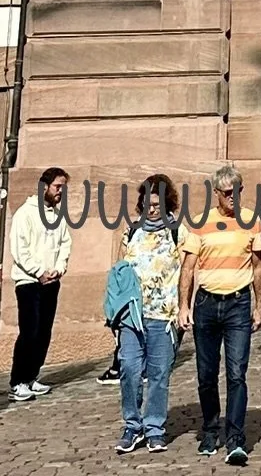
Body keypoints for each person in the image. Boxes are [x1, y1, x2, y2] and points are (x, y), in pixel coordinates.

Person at [179, 163, 261, 466]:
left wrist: (260, 306)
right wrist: (183, 306)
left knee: (236, 374)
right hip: (206, 305)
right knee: (206, 375)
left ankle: (235, 438)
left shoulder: (251, 221)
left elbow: (258, 266)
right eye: (227, 192)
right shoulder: (201, 221)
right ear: (216, 193)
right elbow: (188, 267)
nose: (233, 197)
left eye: (237, 191)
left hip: (238, 304)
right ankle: (211, 427)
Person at [114, 173, 181, 454]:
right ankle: (132, 424)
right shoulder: (130, 231)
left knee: (158, 374)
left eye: (157, 204)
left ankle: (154, 427)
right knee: (128, 369)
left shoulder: (178, 231)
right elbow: (118, 273)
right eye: (148, 203)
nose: (152, 209)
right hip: (132, 316)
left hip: (164, 316)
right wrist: (115, 312)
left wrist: (184, 309)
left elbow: (189, 272)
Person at [9, 165, 71, 403]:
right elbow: (20, 249)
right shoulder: (25, 214)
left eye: (63, 188)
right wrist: (38, 271)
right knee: (29, 331)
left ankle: (32, 376)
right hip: (29, 282)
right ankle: (18, 381)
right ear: (44, 187)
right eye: (57, 187)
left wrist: (59, 268)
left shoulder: (57, 215)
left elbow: (65, 242)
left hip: (51, 281)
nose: (60, 192)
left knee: (44, 331)